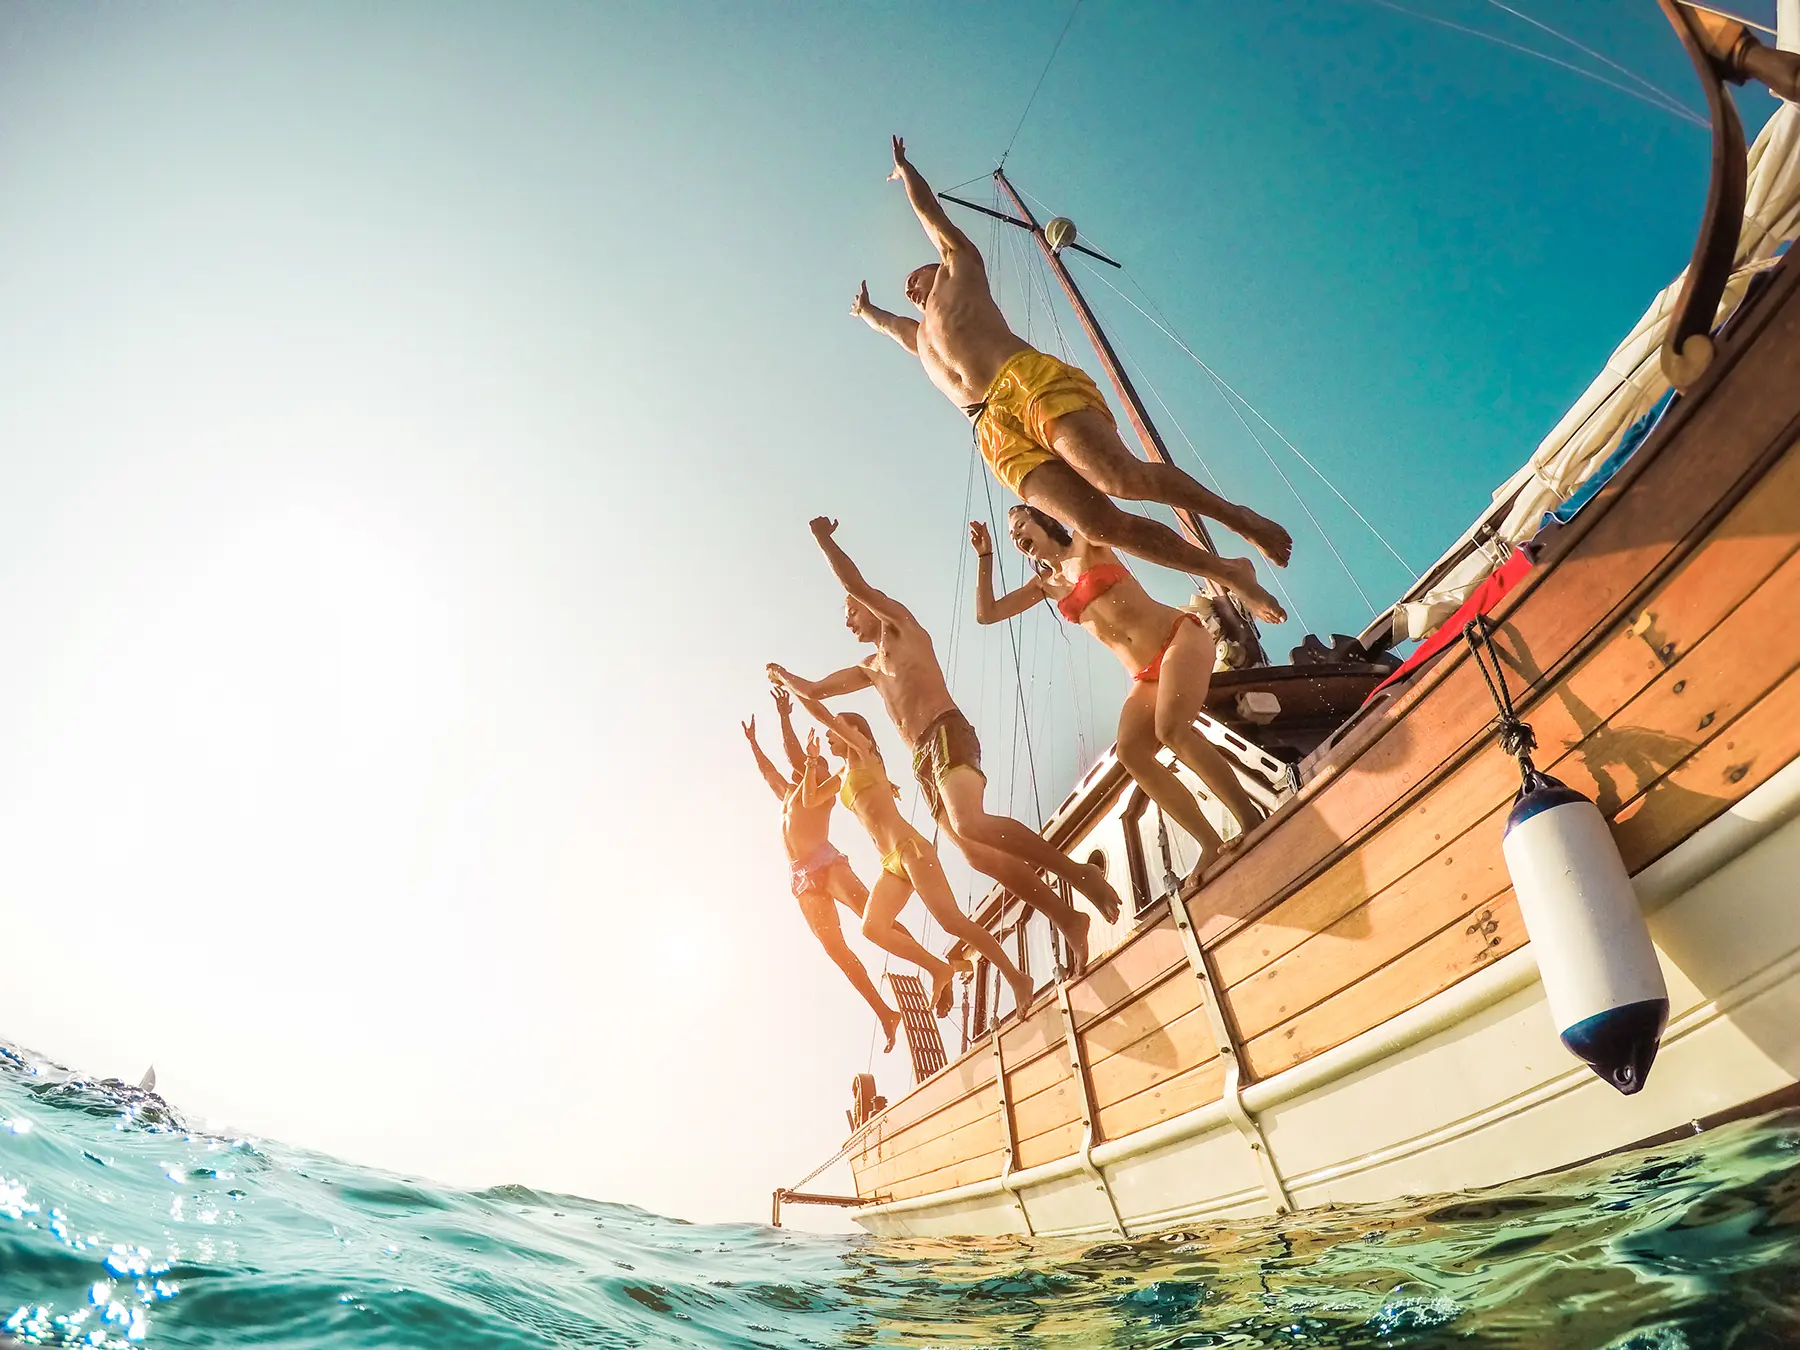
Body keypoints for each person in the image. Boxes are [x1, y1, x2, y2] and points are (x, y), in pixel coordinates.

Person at [851, 135, 1292, 624]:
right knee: (1097, 525)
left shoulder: (961, 267)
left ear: (938, 263)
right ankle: (1227, 572)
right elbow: (894, 329)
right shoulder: (921, 336)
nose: (909, 288)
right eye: (906, 290)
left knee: (1119, 478)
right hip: (992, 434)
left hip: (1023, 382)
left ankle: (1239, 518)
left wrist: (906, 170)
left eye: (914, 277)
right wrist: (868, 312)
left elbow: (928, 212)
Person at [770, 516, 1123, 978]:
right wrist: (783, 678)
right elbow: (815, 691)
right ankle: (1069, 918)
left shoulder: (899, 627)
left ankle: (1080, 875)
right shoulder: (869, 668)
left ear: (867, 608)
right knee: (976, 854)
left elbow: (854, 582)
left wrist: (823, 541)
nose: (848, 622)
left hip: (946, 730)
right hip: (923, 759)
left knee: (969, 822)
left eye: (850, 613)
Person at [972, 509, 1268, 873]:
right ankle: (1208, 842)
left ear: (1045, 521)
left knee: (1171, 731)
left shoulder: (1087, 539)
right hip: (1145, 675)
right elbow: (986, 614)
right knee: (1131, 752)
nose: (1017, 536)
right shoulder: (1045, 585)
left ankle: (1249, 817)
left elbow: (1079, 499)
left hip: (1179, 637)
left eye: (1021, 525)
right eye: (1011, 535)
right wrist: (985, 557)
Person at [784, 690, 1027, 1016]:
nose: (829, 735)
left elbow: (829, 721)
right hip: (891, 863)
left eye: (836, 729)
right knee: (872, 928)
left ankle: (1015, 977)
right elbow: (810, 800)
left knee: (952, 922)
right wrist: (812, 760)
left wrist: (798, 687)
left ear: (855, 733)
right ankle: (939, 969)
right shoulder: (843, 775)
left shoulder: (865, 754)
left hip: (911, 849)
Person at [742, 687, 912, 1051]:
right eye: (809, 764)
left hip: (825, 861)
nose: (811, 765)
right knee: (835, 948)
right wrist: (754, 742)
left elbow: (791, 752)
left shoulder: (826, 789)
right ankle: (885, 1013)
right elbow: (769, 769)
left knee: (869, 913)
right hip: (801, 878)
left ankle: (925, 960)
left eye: (816, 762)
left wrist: (785, 717)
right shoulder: (789, 792)